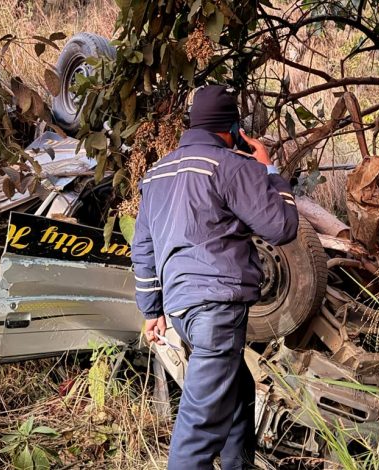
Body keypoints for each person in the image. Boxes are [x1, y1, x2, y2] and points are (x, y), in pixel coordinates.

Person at [132, 85, 299, 469]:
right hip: (216, 310)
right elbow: (282, 226)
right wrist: (269, 170)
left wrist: (151, 309)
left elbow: (143, 247)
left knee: (237, 392)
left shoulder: (156, 174)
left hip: (183, 313)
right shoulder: (230, 166)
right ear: (234, 129)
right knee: (199, 430)